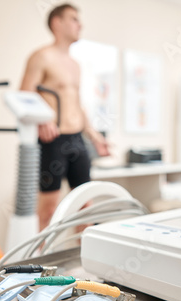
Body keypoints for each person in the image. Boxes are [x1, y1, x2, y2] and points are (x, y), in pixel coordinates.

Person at [20, 3, 109, 231]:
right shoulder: (41, 57)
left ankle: (85, 264)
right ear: (57, 23)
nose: (80, 24)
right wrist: (42, 119)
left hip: (77, 140)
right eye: (74, 19)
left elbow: (77, 104)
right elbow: (25, 95)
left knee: (85, 207)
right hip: (53, 141)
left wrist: (95, 136)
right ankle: (37, 264)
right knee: (48, 209)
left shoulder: (75, 65)